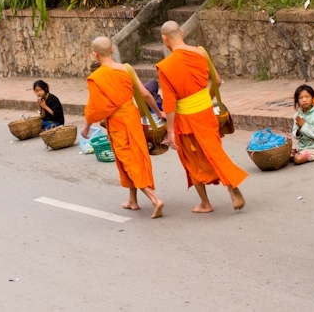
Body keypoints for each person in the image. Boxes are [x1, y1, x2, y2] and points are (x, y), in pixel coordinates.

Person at [157, 21, 247, 213]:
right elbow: (218, 80)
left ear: (165, 40)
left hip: (185, 119)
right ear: (181, 33)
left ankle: (205, 203)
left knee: (191, 160)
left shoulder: (165, 66)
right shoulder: (200, 52)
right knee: (215, 152)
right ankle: (231, 187)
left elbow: (170, 104)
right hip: (206, 113)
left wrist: (170, 131)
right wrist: (207, 98)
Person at [83, 36, 165, 218]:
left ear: (95, 55)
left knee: (127, 161)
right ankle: (132, 201)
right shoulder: (126, 69)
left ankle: (154, 199)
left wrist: (86, 128)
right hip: (133, 117)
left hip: (118, 122)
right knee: (134, 156)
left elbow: (94, 107)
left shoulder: (96, 78)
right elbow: (145, 94)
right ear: (112, 50)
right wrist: (159, 114)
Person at [291, 84, 314, 164]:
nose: (304, 100)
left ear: (312, 98)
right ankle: (298, 154)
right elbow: (294, 134)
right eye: (301, 98)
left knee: (297, 159)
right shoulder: (297, 115)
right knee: (284, 153)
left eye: (307, 97)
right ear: (297, 101)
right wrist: (299, 130)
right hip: (301, 147)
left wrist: (304, 126)